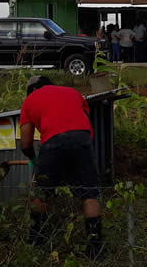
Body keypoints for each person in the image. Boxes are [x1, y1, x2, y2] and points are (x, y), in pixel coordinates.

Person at [20, 76, 103, 257]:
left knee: (41, 195)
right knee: (89, 195)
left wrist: (35, 160)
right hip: (82, 139)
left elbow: (26, 144)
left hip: (52, 142)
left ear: (32, 90)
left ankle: (37, 242)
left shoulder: (29, 101)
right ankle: (96, 248)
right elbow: (82, 121)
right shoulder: (73, 93)